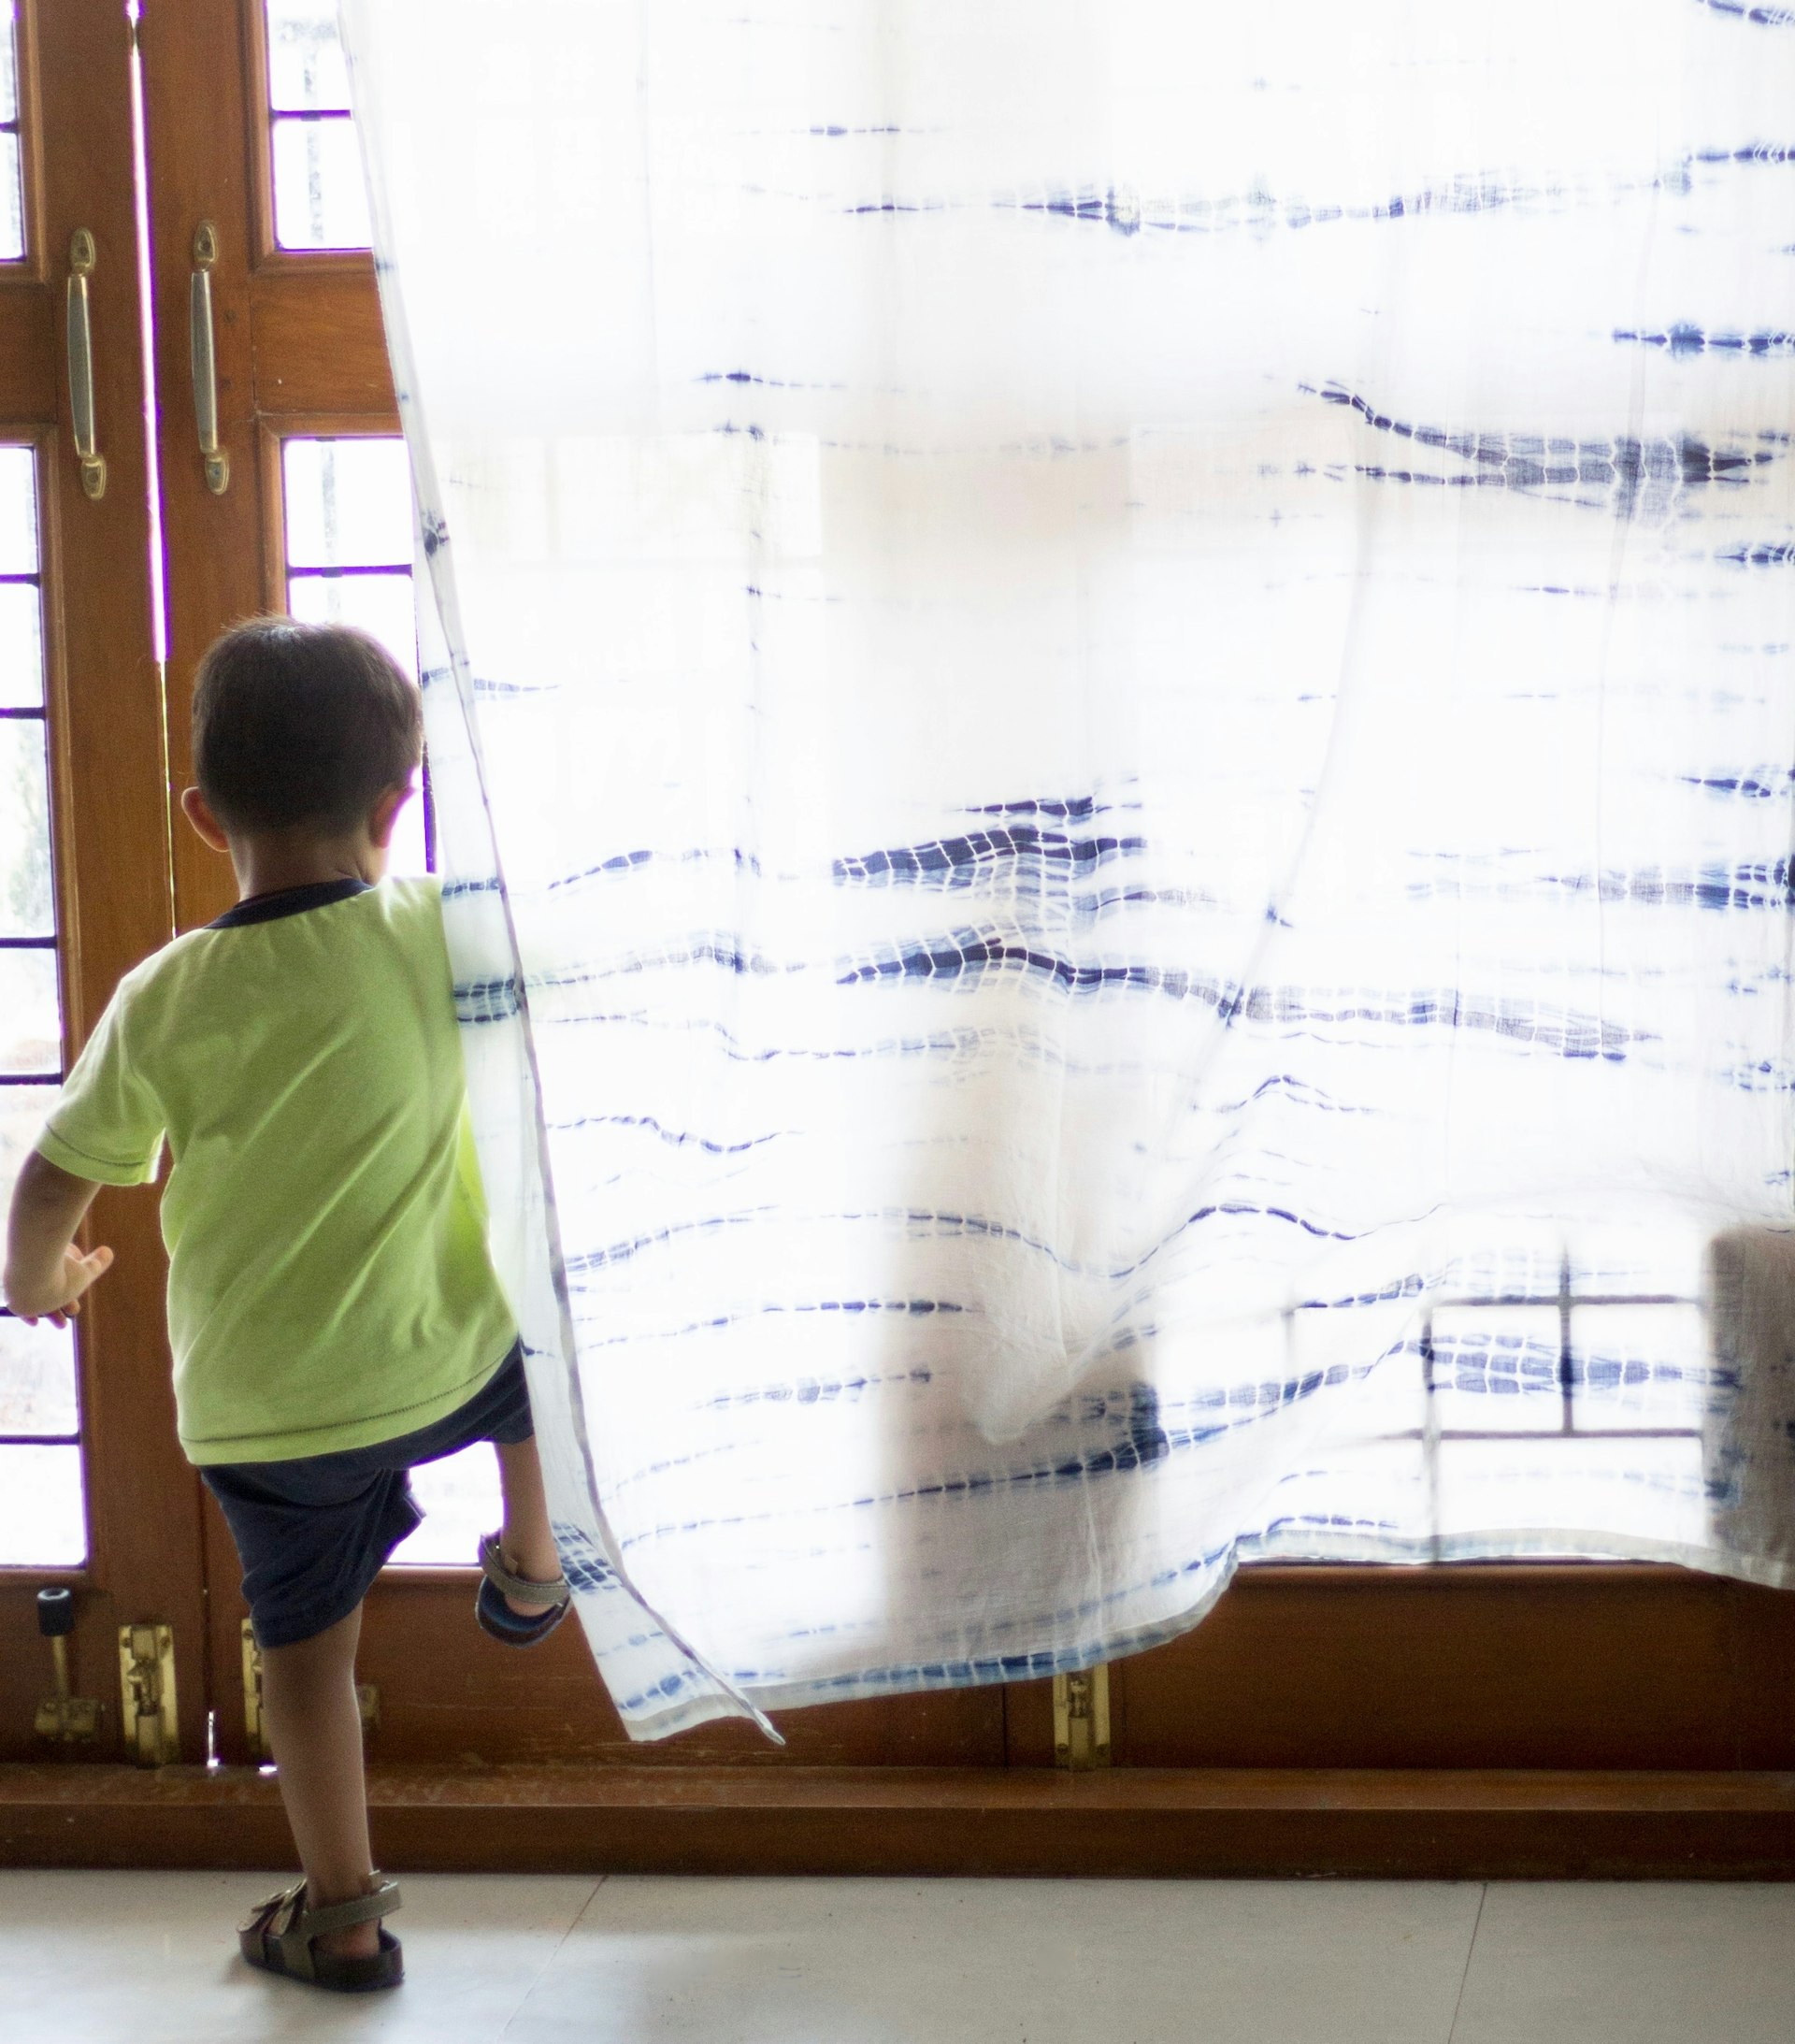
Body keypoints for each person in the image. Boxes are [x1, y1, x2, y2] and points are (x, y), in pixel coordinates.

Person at [2, 617, 570, 1994]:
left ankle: (344, 1917)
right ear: (396, 804)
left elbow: (51, 1181)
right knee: (549, 1363)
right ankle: (538, 1557)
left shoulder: (165, 996)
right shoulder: (440, 927)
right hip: (449, 1355)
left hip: (267, 1410)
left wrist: (40, 1284)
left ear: (203, 818)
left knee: (305, 1657)